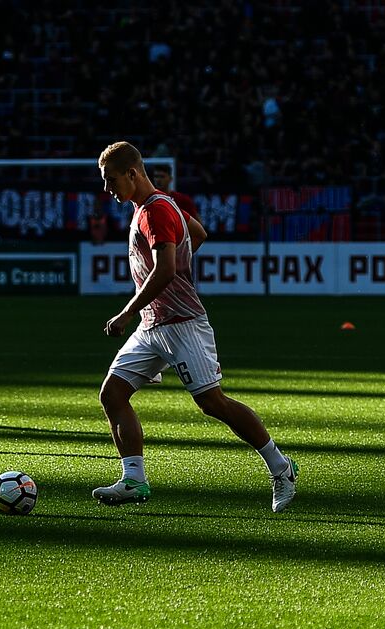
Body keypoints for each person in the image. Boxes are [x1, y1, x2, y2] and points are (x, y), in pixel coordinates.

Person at [94, 141, 297, 512]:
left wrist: (125, 312)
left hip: (183, 324)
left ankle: (281, 467)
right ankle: (134, 480)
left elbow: (167, 270)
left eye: (111, 180)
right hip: (153, 325)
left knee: (212, 403)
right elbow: (198, 233)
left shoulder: (155, 212)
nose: (108, 189)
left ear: (132, 173)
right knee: (112, 395)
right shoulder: (161, 205)